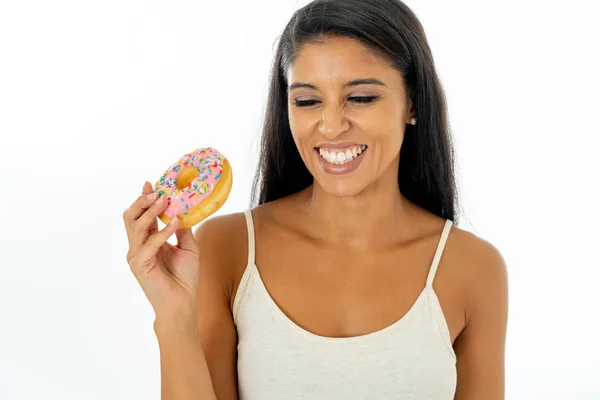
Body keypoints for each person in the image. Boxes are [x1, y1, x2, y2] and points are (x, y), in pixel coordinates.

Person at [123, 0, 508, 398]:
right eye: (307, 101)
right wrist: (172, 317)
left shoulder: (473, 268)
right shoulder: (227, 248)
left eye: (360, 98)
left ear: (412, 102)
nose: (331, 124)